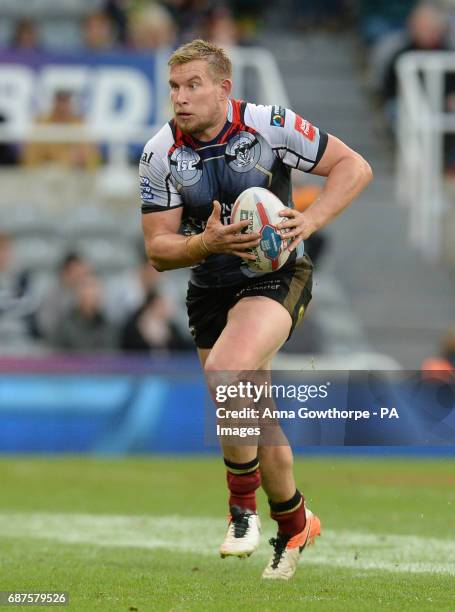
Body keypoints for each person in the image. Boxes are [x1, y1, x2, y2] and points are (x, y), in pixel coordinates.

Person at [140, 39, 372, 580]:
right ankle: (295, 526)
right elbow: (157, 250)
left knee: (227, 370)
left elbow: (354, 168)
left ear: (224, 88)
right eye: (175, 87)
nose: (181, 97)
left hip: (276, 276)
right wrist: (206, 244)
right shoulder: (159, 154)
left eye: (193, 85)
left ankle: (240, 511)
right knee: (256, 421)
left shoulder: (270, 125)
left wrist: (309, 223)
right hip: (210, 289)